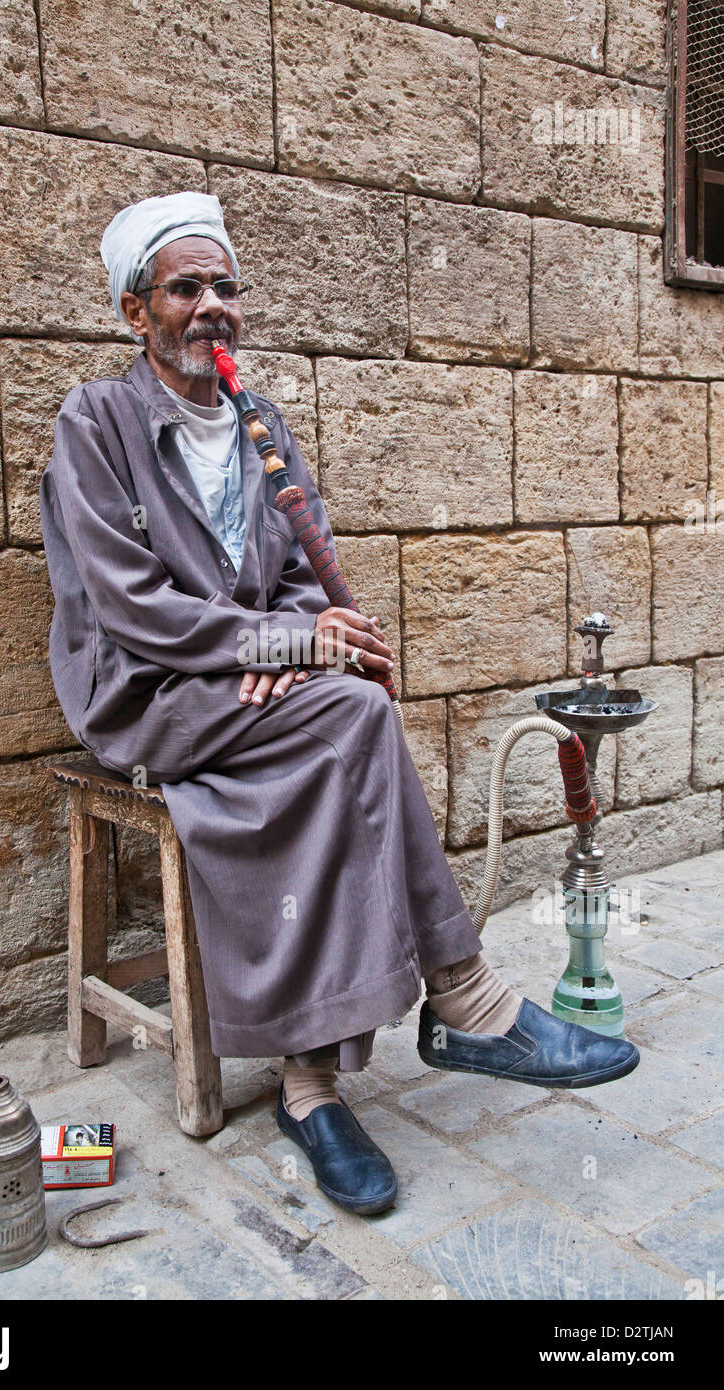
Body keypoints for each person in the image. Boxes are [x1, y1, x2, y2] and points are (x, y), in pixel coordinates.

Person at [39, 191, 639, 1217]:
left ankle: (315, 1083)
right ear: (136, 313)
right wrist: (274, 644)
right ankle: (452, 1005)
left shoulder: (258, 422)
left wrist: (298, 637)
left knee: (337, 710)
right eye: (185, 288)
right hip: (148, 691)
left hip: (255, 690)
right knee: (353, 714)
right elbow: (126, 603)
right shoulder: (95, 423)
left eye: (225, 287)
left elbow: (299, 580)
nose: (211, 306)